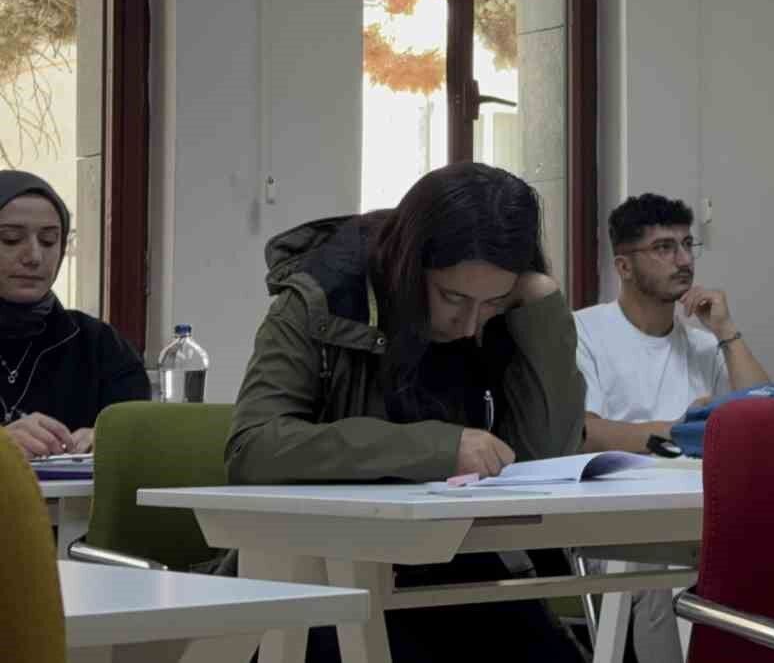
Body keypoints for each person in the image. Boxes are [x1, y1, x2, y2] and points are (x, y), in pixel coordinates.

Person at [227, 162, 587, 663]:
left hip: (460, 571)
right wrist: (437, 447)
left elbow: (540, 459)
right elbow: (254, 447)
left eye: (492, 302)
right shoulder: (318, 299)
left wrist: (542, 310)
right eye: (452, 297)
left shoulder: (505, 315)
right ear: (408, 262)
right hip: (323, 575)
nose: (468, 325)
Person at [574, 192, 771, 663]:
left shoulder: (703, 344)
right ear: (623, 266)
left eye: (687, 245)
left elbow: (764, 415)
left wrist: (726, 331)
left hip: (703, 516)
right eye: (664, 248)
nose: (683, 261)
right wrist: (685, 430)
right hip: (613, 521)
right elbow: (586, 431)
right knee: (666, 575)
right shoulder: (585, 331)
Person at [0, 171, 147, 458]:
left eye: (49, 241)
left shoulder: (100, 345)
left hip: (72, 503)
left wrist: (108, 437)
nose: (33, 256)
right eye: (10, 239)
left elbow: (142, 433)